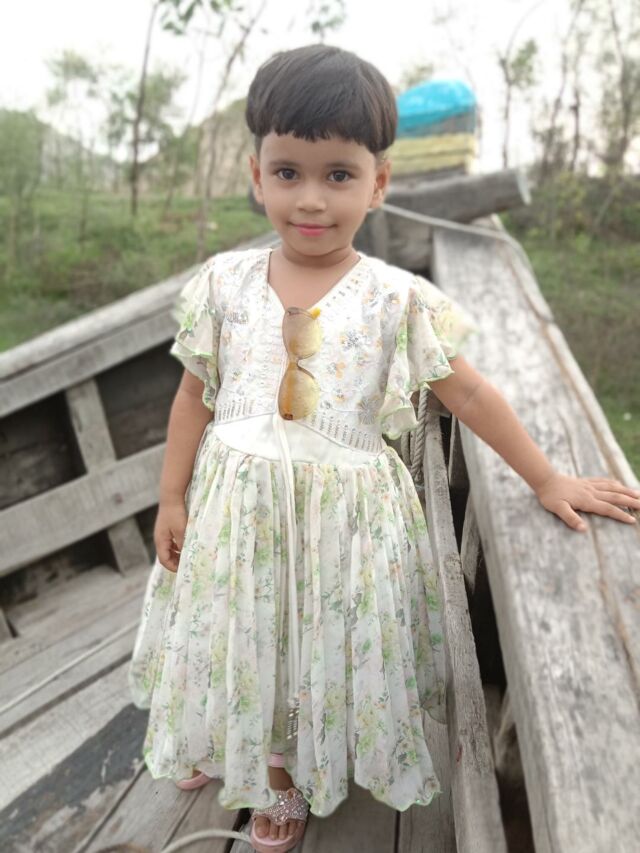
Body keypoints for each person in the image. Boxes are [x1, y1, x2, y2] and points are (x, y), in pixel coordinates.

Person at [127, 44, 640, 853]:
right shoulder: (224, 284)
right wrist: (171, 496)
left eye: (338, 174)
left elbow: (469, 394)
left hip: (341, 532)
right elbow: (194, 396)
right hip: (237, 520)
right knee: (233, 629)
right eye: (288, 172)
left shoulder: (396, 299)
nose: (311, 198)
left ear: (379, 182)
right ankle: (231, 743)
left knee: (304, 648)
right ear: (257, 176)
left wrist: (548, 478)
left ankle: (285, 768)